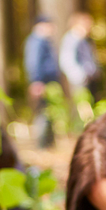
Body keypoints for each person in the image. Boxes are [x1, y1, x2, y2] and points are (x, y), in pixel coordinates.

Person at [24, 16, 62, 149]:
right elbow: (33, 63)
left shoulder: (43, 41)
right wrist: (36, 81)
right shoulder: (36, 41)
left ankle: (48, 144)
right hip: (42, 83)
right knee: (42, 113)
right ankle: (41, 145)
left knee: (49, 113)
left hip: (48, 83)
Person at [59, 12, 102, 102]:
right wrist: (79, 76)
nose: (90, 27)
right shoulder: (71, 39)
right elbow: (66, 60)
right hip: (80, 80)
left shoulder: (85, 40)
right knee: (83, 106)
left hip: (89, 78)